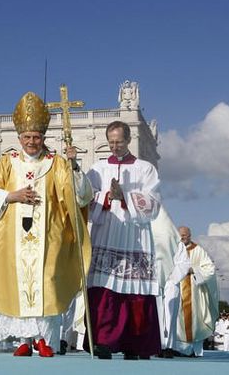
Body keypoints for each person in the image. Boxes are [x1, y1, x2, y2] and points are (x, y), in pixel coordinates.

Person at [0, 91, 92, 357]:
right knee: (17, 286)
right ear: (19, 138)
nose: (31, 141)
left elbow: (80, 196)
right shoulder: (7, 163)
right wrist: (11, 195)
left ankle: (44, 340)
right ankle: (24, 341)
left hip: (49, 238)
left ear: (43, 137)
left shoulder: (57, 164)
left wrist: (74, 167)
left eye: (36, 137)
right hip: (12, 239)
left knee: (47, 283)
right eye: (27, 137)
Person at [85, 120, 162, 360]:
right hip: (107, 228)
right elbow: (86, 198)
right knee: (105, 288)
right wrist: (107, 197)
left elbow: (154, 203)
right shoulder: (97, 168)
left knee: (134, 291)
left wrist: (126, 196)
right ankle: (104, 342)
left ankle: (135, 345)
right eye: (111, 142)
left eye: (119, 142)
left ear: (128, 140)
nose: (115, 147)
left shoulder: (145, 168)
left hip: (133, 234)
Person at [163, 226, 219, 357]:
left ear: (190, 236)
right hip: (174, 287)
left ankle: (192, 350)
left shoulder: (198, 250)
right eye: (180, 235)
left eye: (184, 235)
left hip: (193, 292)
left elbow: (210, 269)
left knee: (193, 321)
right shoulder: (172, 247)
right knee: (173, 318)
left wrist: (192, 269)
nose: (182, 238)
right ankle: (174, 347)